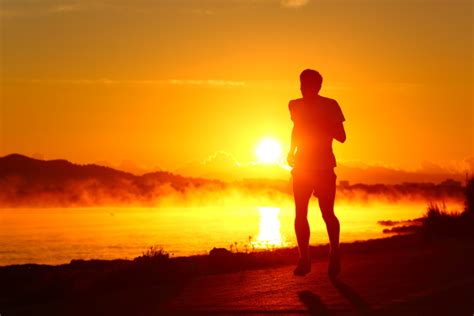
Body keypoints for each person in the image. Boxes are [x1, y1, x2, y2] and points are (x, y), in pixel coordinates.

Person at [287, 69, 346, 278]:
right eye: (301, 85)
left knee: (327, 213)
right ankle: (304, 259)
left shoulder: (330, 105)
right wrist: (290, 150)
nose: (303, 90)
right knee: (300, 213)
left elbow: (342, 136)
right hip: (302, 167)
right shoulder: (294, 105)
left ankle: (335, 252)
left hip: (324, 168)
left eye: (307, 86)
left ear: (318, 87)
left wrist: (322, 122)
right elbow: (297, 129)